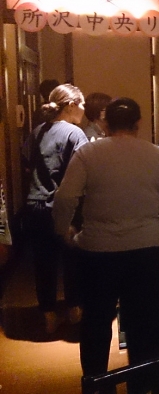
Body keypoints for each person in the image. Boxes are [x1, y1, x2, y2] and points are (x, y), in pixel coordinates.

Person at [52, 97, 159, 376]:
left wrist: (64, 230)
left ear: (106, 123)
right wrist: (147, 206)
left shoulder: (89, 153)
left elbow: (64, 198)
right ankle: (142, 385)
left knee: (96, 322)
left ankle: (96, 383)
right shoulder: (157, 155)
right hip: (144, 248)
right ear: (138, 123)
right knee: (143, 325)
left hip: (98, 250)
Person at [22, 83, 87, 334]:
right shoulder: (74, 133)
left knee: (43, 263)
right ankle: (74, 310)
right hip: (62, 206)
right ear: (70, 105)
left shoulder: (37, 131)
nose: (83, 109)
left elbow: (27, 164)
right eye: (81, 104)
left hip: (34, 205)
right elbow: (80, 173)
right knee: (73, 260)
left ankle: (48, 315)